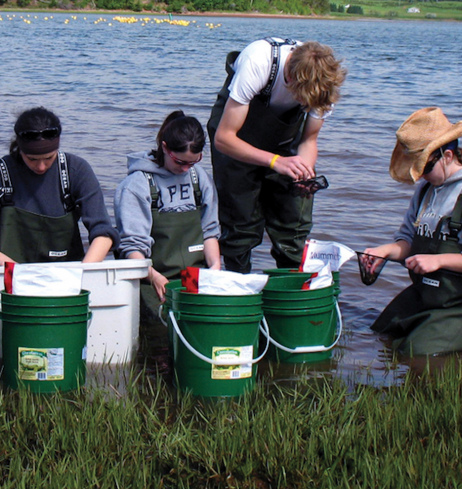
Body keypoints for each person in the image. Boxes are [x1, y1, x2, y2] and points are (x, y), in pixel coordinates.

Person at [207, 37, 347, 273]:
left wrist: (304, 170)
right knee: (240, 224)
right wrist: (274, 161)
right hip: (236, 139)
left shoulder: (322, 84)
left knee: (293, 221)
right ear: (290, 79)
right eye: (303, 99)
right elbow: (224, 138)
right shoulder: (258, 63)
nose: (305, 104)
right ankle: (239, 286)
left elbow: (309, 139)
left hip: (284, 142)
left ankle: (290, 287)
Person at [0, 107, 119, 266]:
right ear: (20, 150)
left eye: (49, 158)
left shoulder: (76, 170)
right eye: (32, 159)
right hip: (9, 273)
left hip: (67, 272)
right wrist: (13, 270)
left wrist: (83, 272)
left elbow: (103, 232)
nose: (41, 167)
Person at [365, 107, 462, 356]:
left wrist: (439, 260)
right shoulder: (424, 191)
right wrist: (384, 252)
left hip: (457, 301)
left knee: (414, 352)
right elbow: (408, 240)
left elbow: (435, 258)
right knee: (381, 333)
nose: (420, 176)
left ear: (448, 155)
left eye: (425, 168)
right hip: (427, 292)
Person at [114, 110, 221, 307]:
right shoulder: (136, 185)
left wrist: (215, 266)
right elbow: (132, 248)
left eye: (193, 162)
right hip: (152, 279)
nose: (186, 169)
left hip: (196, 278)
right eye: (180, 162)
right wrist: (154, 277)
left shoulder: (200, 178)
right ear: (165, 147)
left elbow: (209, 232)